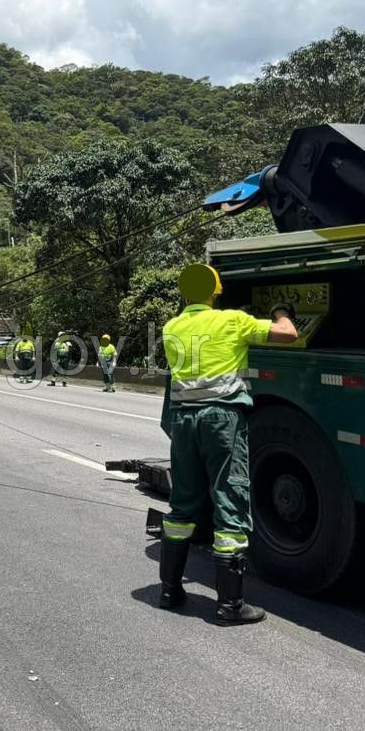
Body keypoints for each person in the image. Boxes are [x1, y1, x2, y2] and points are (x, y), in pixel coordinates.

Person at [157, 263, 297, 624]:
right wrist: (282, 311)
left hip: (184, 420)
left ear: (184, 293)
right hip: (220, 419)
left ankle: (169, 591)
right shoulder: (232, 320)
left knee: (182, 503)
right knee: (229, 499)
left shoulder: (171, 327)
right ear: (216, 291)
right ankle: (230, 606)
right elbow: (289, 334)